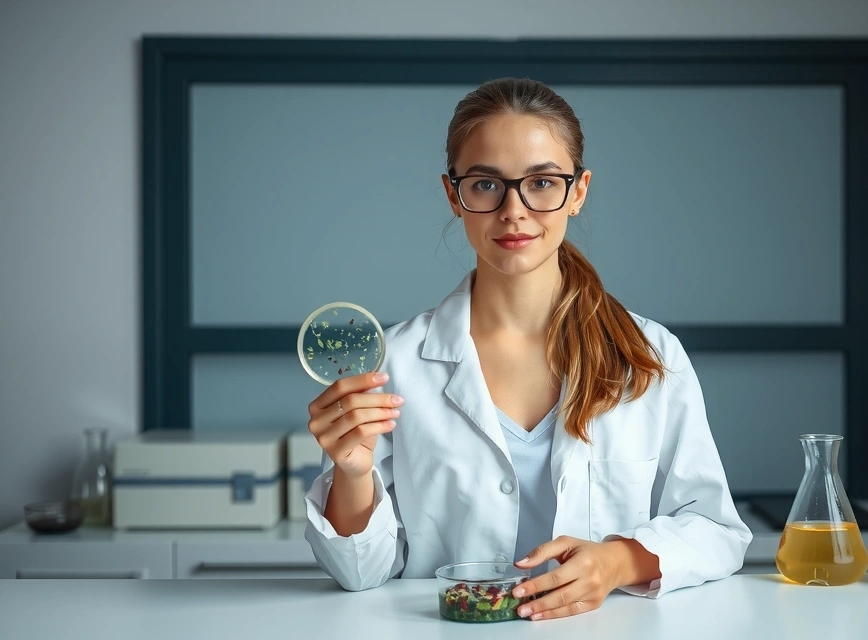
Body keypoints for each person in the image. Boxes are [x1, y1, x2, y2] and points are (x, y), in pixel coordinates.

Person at [304, 77, 751, 621]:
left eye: (541, 182)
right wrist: (352, 475)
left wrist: (616, 562)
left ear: (578, 191)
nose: (514, 210)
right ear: (454, 195)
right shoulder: (394, 365)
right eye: (486, 185)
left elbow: (716, 530)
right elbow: (360, 573)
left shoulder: (649, 355)